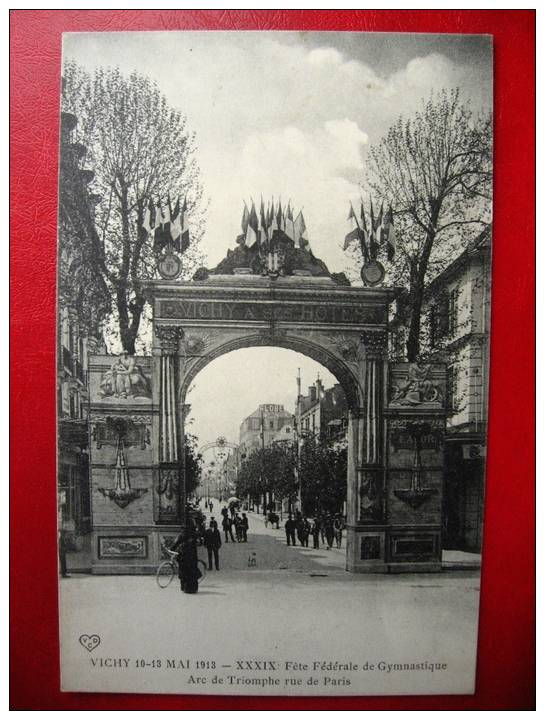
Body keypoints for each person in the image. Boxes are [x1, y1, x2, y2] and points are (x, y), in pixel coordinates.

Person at [171, 526, 201, 594]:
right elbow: (199, 542)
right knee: (192, 572)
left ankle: (185, 588)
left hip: (184, 557)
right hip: (192, 558)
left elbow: (176, 544)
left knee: (184, 572)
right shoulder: (194, 535)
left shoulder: (182, 535)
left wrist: (171, 549)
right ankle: (193, 588)